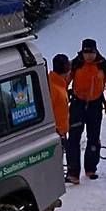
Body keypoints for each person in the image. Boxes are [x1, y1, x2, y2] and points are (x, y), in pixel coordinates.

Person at [67, 38, 106, 183]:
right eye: (86, 52)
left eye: (91, 52)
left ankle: (91, 169)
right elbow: (65, 81)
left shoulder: (103, 65)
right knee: (73, 139)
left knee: (93, 139)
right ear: (82, 52)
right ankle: (73, 173)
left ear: (96, 51)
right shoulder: (76, 63)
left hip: (95, 105)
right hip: (78, 104)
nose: (88, 55)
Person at [48, 54, 74, 183]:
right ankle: (54, 182)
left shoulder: (58, 83)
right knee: (55, 159)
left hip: (61, 131)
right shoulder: (53, 87)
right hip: (55, 132)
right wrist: (55, 129)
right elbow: (49, 110)